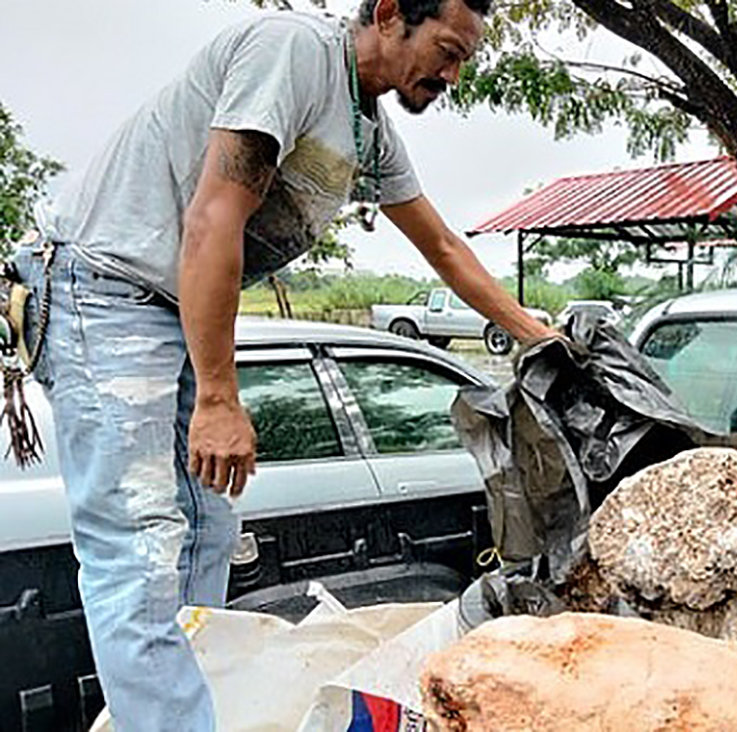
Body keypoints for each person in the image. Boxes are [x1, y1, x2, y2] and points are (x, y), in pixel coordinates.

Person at [9, 0, 550, 728]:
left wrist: (534, 335)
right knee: (140, 552)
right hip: (104, 292)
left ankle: (184, 711)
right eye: (447, 49)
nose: (452, 73)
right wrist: (219, 399)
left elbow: (445, 248)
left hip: (171, 306)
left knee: (206, 533)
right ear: (390, 13)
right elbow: (213, 218)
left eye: (463, 60)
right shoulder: (293, 51)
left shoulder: (369, 131)